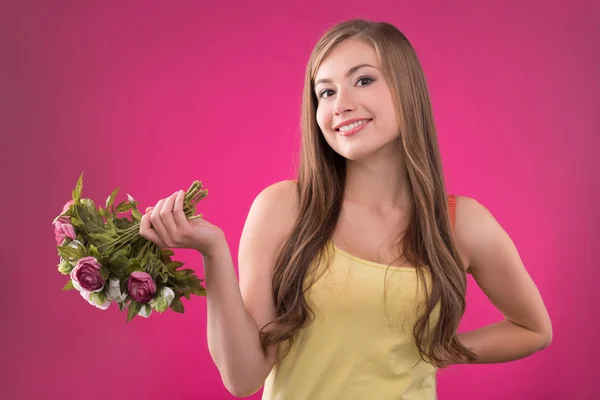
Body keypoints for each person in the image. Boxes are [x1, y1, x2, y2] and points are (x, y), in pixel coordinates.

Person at [139, 19, 553, 400]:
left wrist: (441, 352)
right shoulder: (283, 209)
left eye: (364, 80)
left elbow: (534, 329)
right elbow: (243, 377)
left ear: (406, 89)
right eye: (327, 91)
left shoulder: (461, 223)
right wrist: (213, 253)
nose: (341, 104)